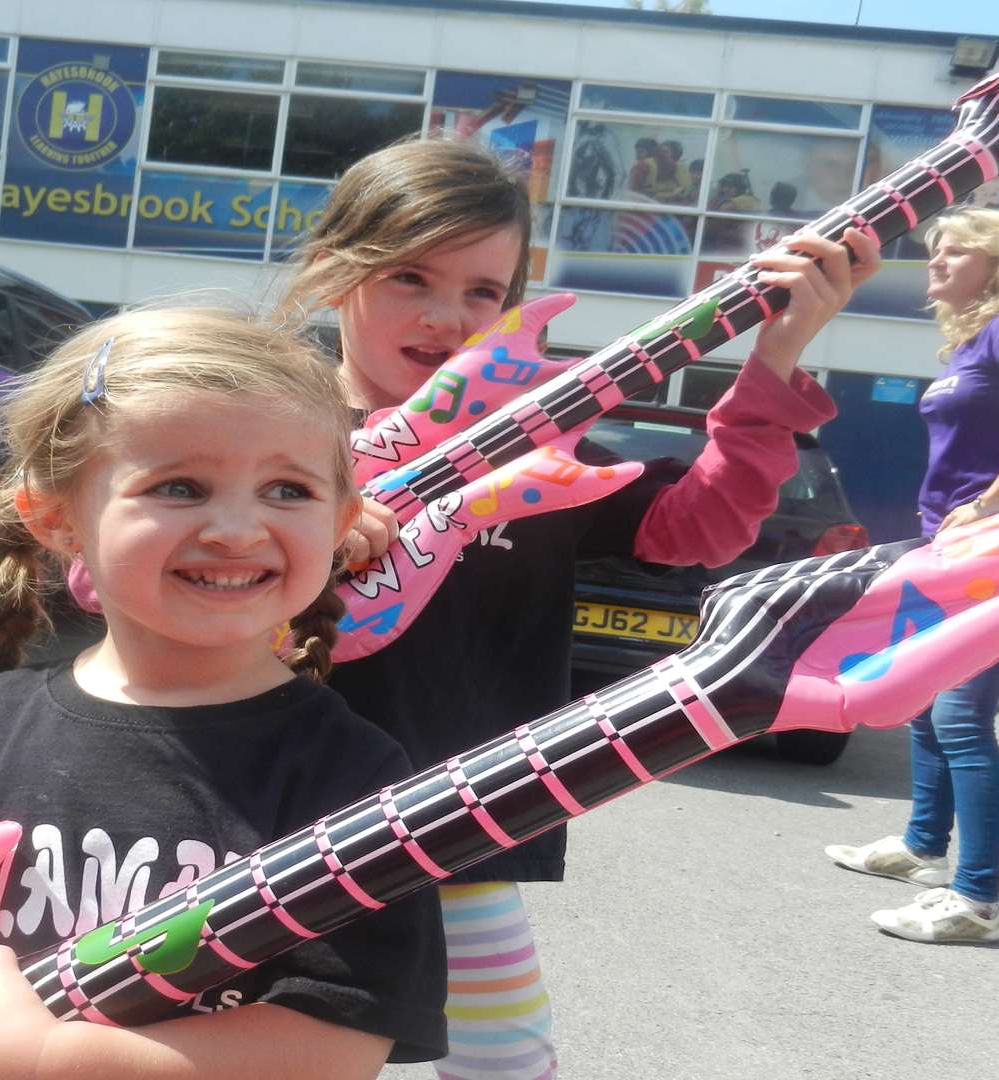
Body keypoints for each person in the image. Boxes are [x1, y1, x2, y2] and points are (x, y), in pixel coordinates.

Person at [278, 138, 879, 1078]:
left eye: (484, 290)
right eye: (409, 277)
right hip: (253, 817)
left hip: (457, 825)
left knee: (508, 1060)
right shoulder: (261, 428)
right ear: (331, 272)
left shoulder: (529, 446)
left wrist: (779, 352)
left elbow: (704, 525)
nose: (448, 316)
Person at [0, 310, 448, 1080]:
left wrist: (44, 1058)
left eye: (287, 489)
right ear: (58, 518)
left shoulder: (349, 775)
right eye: (179, 486)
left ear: (340, 520)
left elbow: (332, 1044)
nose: (237, 527)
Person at [825, 209, 999, 945]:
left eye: (954, 252)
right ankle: (920, 850)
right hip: (953, 551)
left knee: (961, 717)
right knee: (926, 703)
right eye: (933, 253)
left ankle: (976, 903)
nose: (934, 265)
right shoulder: (972, 341)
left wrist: (989, 506)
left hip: (995, 553)